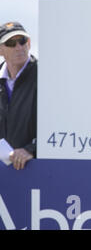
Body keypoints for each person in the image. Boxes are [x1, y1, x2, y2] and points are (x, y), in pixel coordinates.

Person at [0, 21, 37, 170]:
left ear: (28, 43)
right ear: (1, 50)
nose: (19, 47)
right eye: (11, 43)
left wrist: (31, 149)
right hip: (4, 173)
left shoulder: (44, 76)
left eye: (22, 41)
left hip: (35, 169)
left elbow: (60, 125)